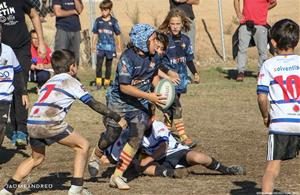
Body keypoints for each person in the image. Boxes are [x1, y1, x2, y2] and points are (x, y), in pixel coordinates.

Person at [0, 49, 127, 195]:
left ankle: (7, 190)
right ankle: (76, 189)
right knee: (83, 146)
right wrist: (117, 117)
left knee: (36, 158)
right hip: (50, 122)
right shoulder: (70, 81)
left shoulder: (49, 82)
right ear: (72, 66)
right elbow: (93, 104)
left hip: (33, 122)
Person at [88, 24, 166, 190]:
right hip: (119, 102)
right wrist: (149, 96)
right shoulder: (127, 58)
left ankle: (116, 176)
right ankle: (96, 154)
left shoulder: (154, 57)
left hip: (138, 103)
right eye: (153, 40)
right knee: (112, 134)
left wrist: (159, 93)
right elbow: (124, 87)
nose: (156, 43)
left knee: (136, 136)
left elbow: (153, 76)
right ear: (142, 42)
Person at [101, 119, 246, 178]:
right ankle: (171, 173)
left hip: (176, 152)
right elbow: (108, 158)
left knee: (198, 158)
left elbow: (164, 147)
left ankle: (226, 169)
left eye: (145, 118)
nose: (142, 121)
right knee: (141, 167)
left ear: (152, 117)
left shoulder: (158, 126)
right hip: (159, 161)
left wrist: (148, 159)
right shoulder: (132, 133)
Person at [257, 19, 300, 194]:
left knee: (271, 170)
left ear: (273, 43)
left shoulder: (268, 65)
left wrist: (265, 115)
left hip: (280, 123)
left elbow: (262, 97)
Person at [0, 0, 47, 147]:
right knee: (8, 87)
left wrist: (41, 42)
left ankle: (21, 130)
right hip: (4, 50)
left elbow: (34, 15)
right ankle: (13, 128)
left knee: (20, 85)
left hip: (21, 48)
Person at [158, 9, 199, 147]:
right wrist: (168, 72)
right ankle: (183, 136)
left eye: (178, 23)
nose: (175, 26)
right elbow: (157, 62)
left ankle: (164, 135)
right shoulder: (163, 40)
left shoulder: (186, 40)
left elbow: (189, 59)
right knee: (176, 107)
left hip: (181, 79)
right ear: (168, 25)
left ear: (182, 24)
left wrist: (195, 73)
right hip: (166, 80)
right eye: (172, 23)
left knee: (170, 109)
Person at [0, 23, 29, 147]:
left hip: (4, 98)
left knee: (1, 127)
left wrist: (23, 92)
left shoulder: (8, 50)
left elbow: (17, 71)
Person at [233, 0, 277, 82]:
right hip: (245, 24)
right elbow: (236, 1)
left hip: (261, 24)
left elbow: (274, 2)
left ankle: (261, 72)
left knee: (262, 51)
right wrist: (238, 13)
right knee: (242, 49)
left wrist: (264, 9)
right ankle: (240, 72)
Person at [92, 0, 121, 90]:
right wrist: (93, 45)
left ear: (109, 10)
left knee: (108, 66)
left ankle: (107, 83)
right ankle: (98, 83)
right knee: (99, 65)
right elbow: (95, 33)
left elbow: (117, 34)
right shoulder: (98, 21)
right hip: (100, 48)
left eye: (105, 10)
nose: (103, 12)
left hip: (110, 48)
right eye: (102, 10)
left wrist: (119, 46)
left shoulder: (114, 21)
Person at [52, 0, 83, 66]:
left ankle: (72, 75)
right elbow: (58, 12)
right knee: (60, 56)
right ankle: (59, 75)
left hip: (76, 29)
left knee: (75, 57)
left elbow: (79, 10)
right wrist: (73, 11)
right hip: (63, 29)